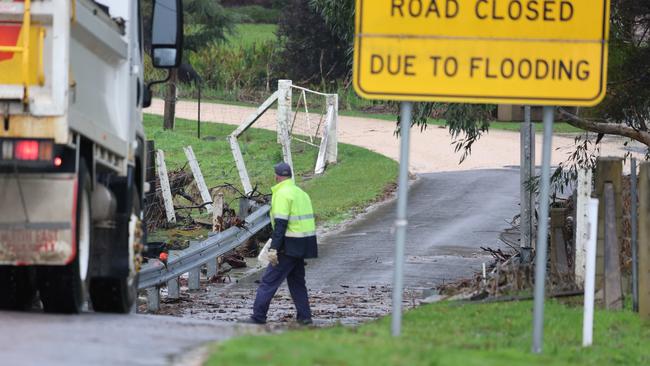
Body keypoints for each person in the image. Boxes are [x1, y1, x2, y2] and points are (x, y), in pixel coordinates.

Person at [243, 162, 318, 325]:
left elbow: (281, 225)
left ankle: (258, 317)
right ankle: (305, 318)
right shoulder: (301, 193)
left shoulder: (282, 194)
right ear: (290, 176)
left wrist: (274, 249)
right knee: (297, 283)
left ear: (276, 176)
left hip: (287, 246)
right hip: (303, 245)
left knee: (268, 282)